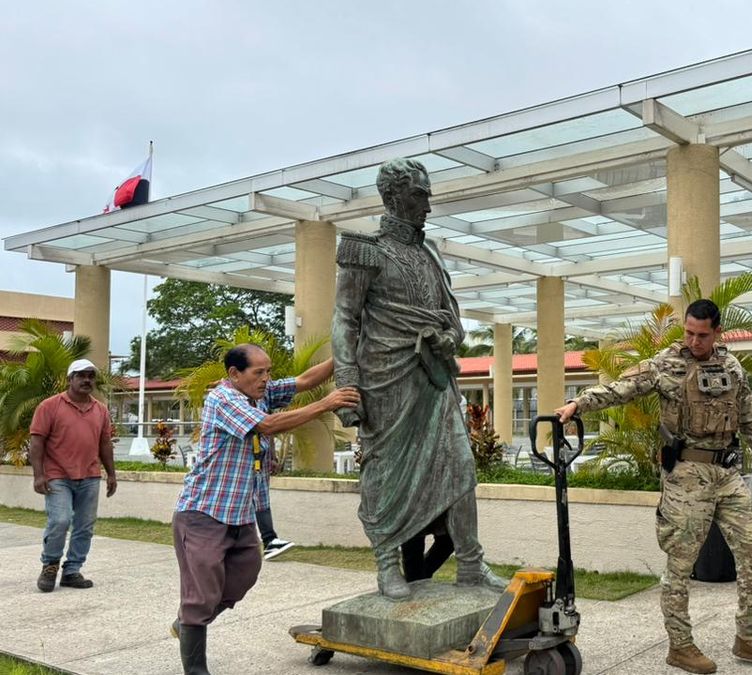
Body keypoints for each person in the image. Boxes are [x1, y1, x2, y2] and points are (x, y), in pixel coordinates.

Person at [554, 299, 752, 674]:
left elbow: (746, 414)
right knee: (681, 563)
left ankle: (749, 639)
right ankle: (680, 646)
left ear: (718, 333)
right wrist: (577, 404)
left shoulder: (732, 366)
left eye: (702, 334)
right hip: (686, 475)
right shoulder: (667, 364)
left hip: (726, 474)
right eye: (689, 332)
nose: (694, 340)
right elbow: (621, 388)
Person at [332, 157, 505, 600]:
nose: (428, 205)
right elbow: (345, 319)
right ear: (391, 197)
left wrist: (449, 336)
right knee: (386, 473)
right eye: (418, 195)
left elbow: (452, 317)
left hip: (433, 377)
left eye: (427, 195)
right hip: (386, 382)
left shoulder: (430, 253)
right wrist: (347, 387)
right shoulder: (364, 249)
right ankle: (387, 564)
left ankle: (471, 564)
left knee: (462, 467)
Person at [171, 344, 359, 675]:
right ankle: (195, 662)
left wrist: (347, 348)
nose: (266, 378)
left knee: (244, 575)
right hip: (203, 514)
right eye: (259, 372)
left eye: (268, 371)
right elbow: (268, 426)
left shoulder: (260, 392)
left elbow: (305, 379)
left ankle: (189, 620)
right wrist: (327, 404)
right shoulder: (224, 399)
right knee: (200, 597)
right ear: (234, 374)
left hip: (240, 514)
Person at [29, 358, 116, 593]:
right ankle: (50, 565)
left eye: (91, 375)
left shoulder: (100, 410)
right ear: (70, 379)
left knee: (84, 526)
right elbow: (36, 442)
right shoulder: (49, 406)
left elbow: (105, 444)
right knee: (60, 520)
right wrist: (39, 475)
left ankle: (72, 571)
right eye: (81, 375)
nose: (87, 380)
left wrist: (111, 474)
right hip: (57, 475)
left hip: (89, 476)